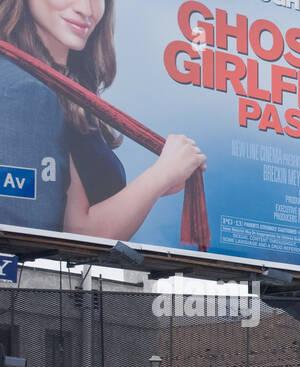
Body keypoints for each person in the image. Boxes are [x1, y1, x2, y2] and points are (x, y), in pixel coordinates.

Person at [0, 0, 205, 240]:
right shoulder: (27, 91)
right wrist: (162, 175)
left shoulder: (67, 92)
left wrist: (159, 183)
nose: (87, 10)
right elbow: (78, 234)